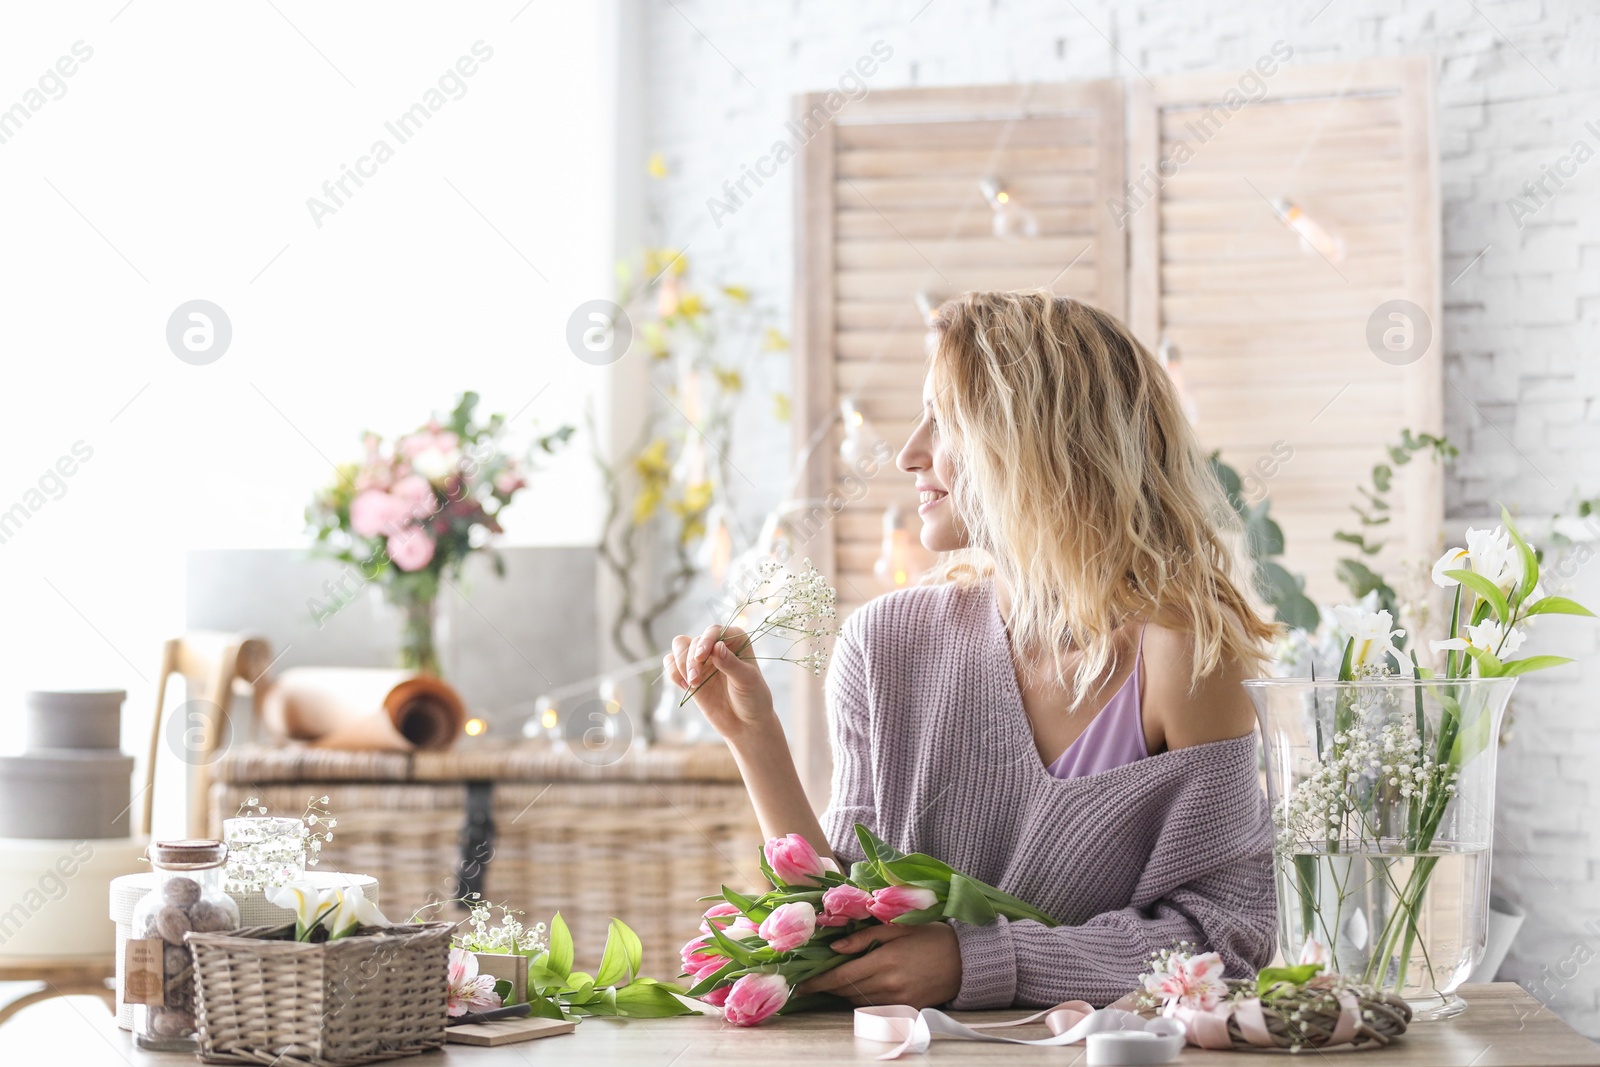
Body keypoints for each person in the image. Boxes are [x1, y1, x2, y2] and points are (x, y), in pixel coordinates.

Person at [665, 289, 1278, 1010]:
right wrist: (754, 738)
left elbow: (1226, 939)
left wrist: (978, 962)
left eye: (944, 419)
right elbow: (847, 921)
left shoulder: (1185, 653)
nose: (908, 452)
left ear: (1041, 441)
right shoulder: (884, 644)